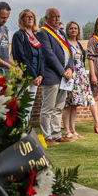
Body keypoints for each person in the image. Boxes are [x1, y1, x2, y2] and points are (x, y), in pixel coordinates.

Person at [36, 8, 73, 144]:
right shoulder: (43, 32)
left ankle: (56, 134)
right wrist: (62, 71)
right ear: (46, 18)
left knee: (59, 107)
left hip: (64, 77)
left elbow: (69, 51)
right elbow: (48, 54)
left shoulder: (61, 33)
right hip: (52, 75)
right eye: (54, 17)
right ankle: (47, 136)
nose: (57, 19)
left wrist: (70, 68)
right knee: (48, 107)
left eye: (58, 16)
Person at [61, 21, 98, 141]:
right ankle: (67, 130)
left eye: (76, 28)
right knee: (67, 104)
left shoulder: (78, 43)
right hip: (70, 75)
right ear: (67, 30)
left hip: (80, 76)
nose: (73, 30)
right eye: (71, 28)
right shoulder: (65, 43)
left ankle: (73, 129)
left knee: (75, 104)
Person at [11, 9, 44, 121]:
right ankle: (19, 133)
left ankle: (26, 132)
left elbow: (41, 58)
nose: (30, 18)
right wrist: (34, 75)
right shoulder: (18, 35)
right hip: (24, 76)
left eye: (32, 17)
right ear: (22, 20)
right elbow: (20, 57)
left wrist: (41, 75)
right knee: (21, 107)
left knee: (29, 107)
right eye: (27, 16)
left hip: (35, 78)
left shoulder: (36, 37)